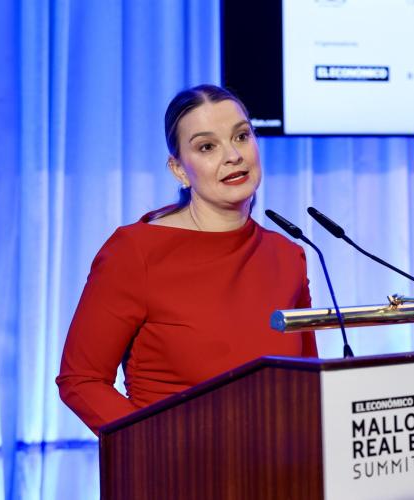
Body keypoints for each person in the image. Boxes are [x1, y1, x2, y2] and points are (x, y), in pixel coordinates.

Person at [56, 84, 317, 434]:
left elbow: (307, 382)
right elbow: (81, 379)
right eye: (207, 146)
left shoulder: (288, 255)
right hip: (172, 462)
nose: (233, 156)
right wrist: (153, 445)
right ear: (178, 169)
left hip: (277, 463)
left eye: (241, 136)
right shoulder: (135, 251)